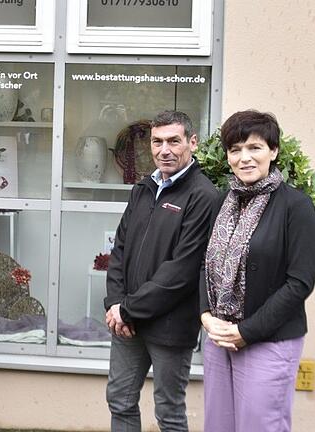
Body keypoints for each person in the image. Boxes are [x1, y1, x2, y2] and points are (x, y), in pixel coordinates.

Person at [200, 110, 315, 432]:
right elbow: (207, 262)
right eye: (235, 149)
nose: (245, 158)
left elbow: (299, 283)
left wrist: (246, 332)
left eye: (254, 148)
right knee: (218, 426)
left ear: (274, 151)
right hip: (218, 337)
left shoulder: (296, 206)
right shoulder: (222, 201)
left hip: (267, 340)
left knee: (259, 426)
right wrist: (206, 314)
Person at [104, 110, 217, 431]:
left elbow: (182, 270)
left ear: (192, 142)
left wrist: (127, 309)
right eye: (157, 141)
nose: (164, 150)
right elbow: (120, 250)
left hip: (169, 326)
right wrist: (114, 304)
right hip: (127, 323)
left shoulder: (203, 195)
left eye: (173, 141)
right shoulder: (142, 188)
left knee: (168, 411)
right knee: (120, 400)